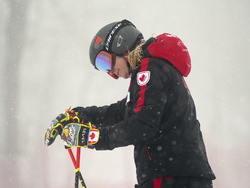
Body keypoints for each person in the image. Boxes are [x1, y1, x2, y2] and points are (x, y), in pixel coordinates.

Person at [45, 19, 216, 188]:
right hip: (179, 176)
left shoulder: (150, 68)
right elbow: (121, 111)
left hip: (170, 177)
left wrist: (94, 138)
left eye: (105, 61)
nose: (110, 72)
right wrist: (81, 114)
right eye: (102, 68)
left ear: (121, 45)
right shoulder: (154, 69)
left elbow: (143, 125)